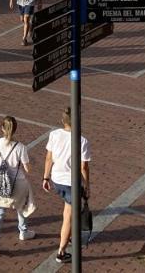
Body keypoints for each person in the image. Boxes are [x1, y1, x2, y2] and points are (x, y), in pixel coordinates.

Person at [43, 107, 91, 265]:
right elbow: (83, 167)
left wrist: (46, 177)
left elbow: (49, 158)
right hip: (71, 183)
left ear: (63, 121)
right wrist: (87, 185)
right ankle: (61, 252)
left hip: (57, 180)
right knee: (68, 219)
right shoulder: (82, 140)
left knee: (67, 211)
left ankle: (68, 237)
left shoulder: (54, 134)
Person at [0, 116, 36, 253]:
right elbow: (28, 169)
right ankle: (23, 232)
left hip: (1, 182)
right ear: (15, 130)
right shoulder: (21, 147)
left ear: (2, 128)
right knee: (21, 206)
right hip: (18, 183)